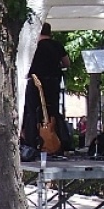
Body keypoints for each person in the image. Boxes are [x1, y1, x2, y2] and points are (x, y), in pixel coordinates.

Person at [24, 22, 71, 151]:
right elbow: (67, 63)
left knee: (32, 112)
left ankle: (33, 143)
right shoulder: (57, 45)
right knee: (53, 112)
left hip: (36, 83)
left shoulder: (33, 46)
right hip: (53, 83)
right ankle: (56, 142)